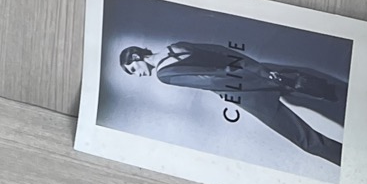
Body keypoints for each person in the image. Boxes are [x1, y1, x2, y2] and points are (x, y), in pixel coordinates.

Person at [119, 40, 347, 165]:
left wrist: (259, 82)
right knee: (327, 91)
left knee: (307, 140)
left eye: (133, 69)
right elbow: (223, 52)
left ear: (136, 56)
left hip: (249, 93)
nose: (138, 74)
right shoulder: (175, 46)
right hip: (256, 72)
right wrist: (261, 71)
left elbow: (212, 80)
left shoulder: (163, 74)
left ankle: (352, 165)